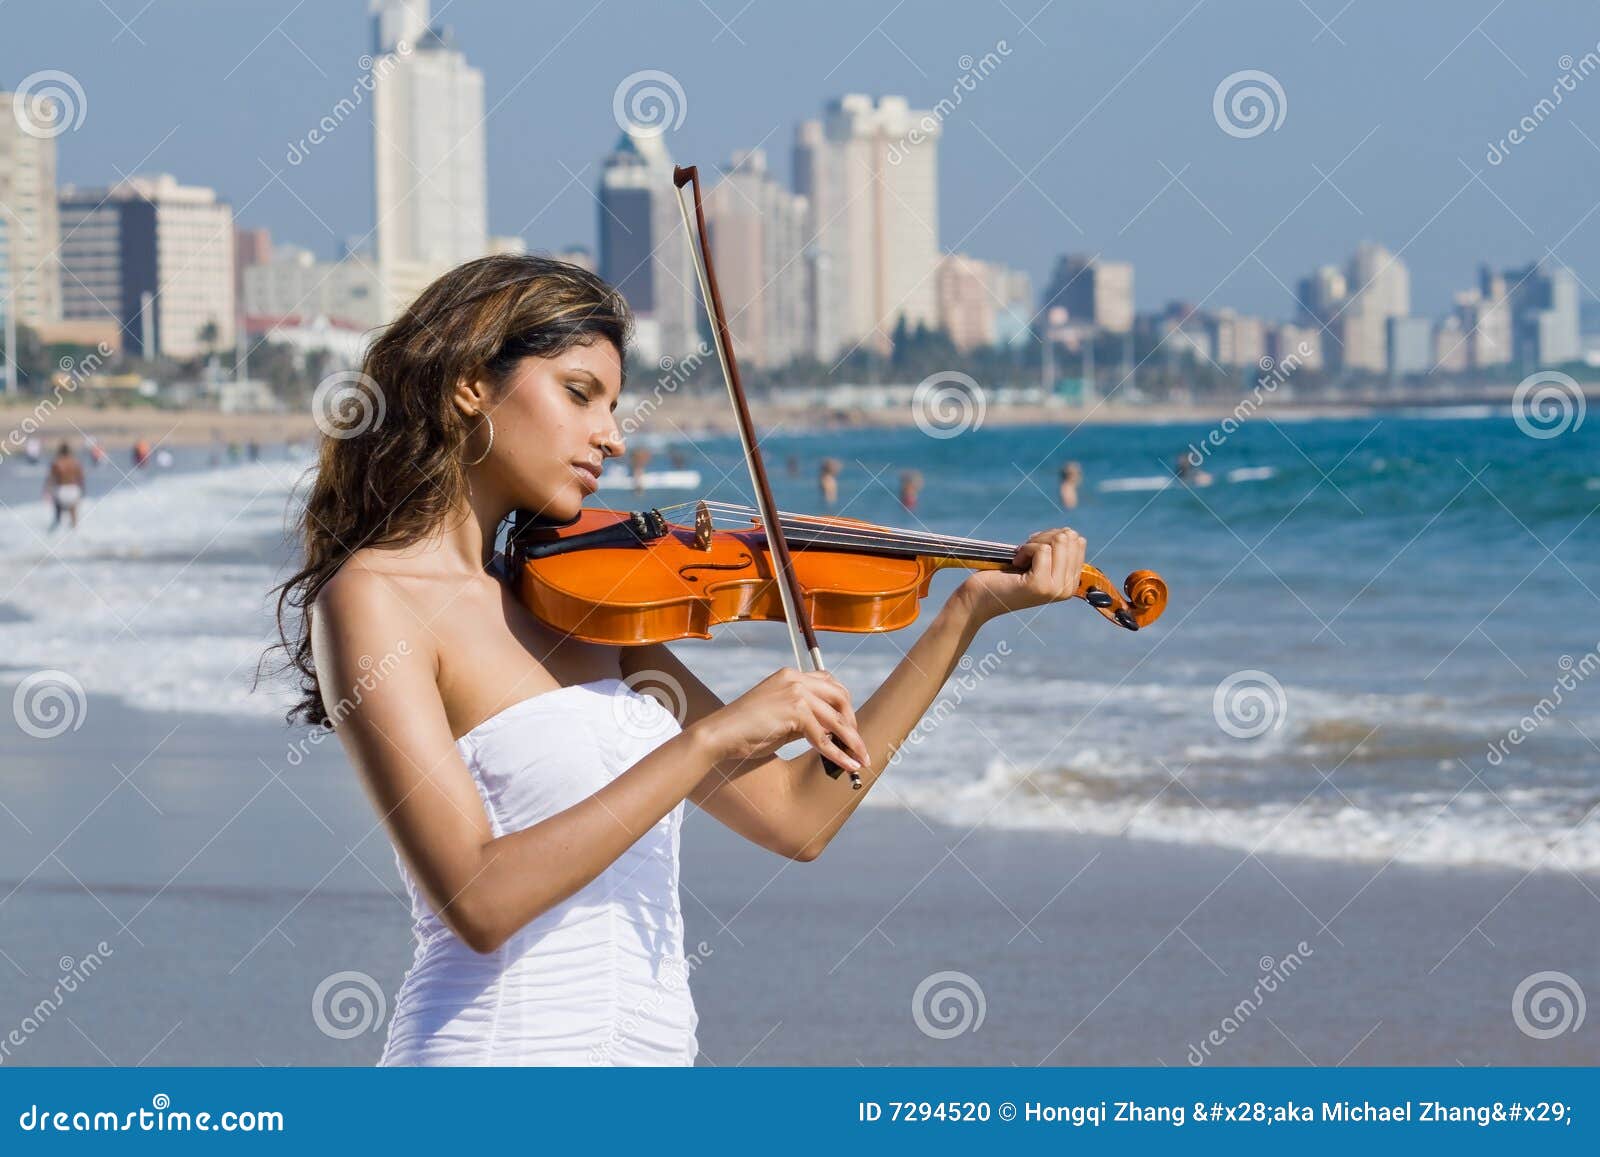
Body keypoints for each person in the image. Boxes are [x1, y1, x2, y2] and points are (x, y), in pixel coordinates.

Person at [264, 255, 1087, 1067]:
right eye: (578, 393)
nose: (612, 436)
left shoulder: (585, 605)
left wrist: (963, 615)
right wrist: (707, 740)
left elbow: (800, 818)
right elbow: (477, 897)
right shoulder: (377, 598)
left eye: (614, 405)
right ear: (470, 384)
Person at [44, 441, 85, 530]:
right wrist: (82, 492)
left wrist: (46, 492)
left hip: (61, 490)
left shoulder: (56, 463)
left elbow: (51, 479)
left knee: (58, 513)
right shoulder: (75, 462)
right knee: (73, 513)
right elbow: (81, 479)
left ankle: (56, 530)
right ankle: (74, 532)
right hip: (74, 489)